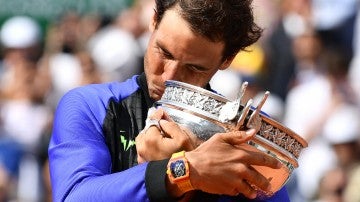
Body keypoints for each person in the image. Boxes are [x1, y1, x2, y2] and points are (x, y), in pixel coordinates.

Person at [48, 0, 290, 201]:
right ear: (153, 21)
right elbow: (74, 196)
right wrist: (185, 171)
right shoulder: (90, 105)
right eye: (164, 52)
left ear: (227, 60)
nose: (169, 77)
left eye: (195, 67)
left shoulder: (249, 134)